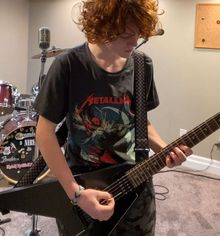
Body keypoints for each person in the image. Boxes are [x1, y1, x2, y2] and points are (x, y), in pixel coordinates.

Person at [34, 0, 192, 235]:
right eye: (127, 34)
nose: (134, 42)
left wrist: (163, 149)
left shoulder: (142, 64)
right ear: (102, 24)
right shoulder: (67, 66)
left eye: (139, 34)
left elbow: (141, 122)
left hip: (136, 180)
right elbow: (44, 133)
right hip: (84, 182)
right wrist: (75, 194)